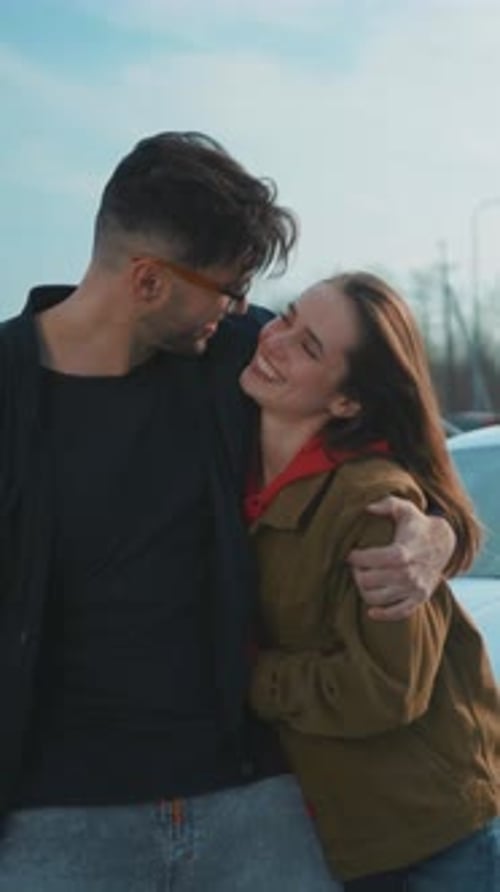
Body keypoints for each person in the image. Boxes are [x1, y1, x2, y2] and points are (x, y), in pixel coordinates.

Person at [0, 132, 454, 891]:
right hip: (59, 819)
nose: (248, 309)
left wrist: (434, 533)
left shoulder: (236, 358)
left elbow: (400, 446)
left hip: (254, 802)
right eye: (230, 286)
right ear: (149, 281)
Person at [241, 271, 500, 891]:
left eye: (309, 348)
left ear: (347, 402)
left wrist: (246, 676)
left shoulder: (375, 506)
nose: (275, 341)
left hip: (432, 836)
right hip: (331, 834)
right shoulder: (235, 463)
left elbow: (381, 690)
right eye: (289, 316)